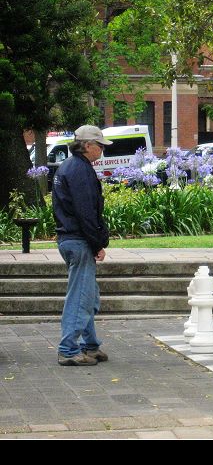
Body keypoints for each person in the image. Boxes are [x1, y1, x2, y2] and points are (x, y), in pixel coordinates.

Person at [52, 125, 112, 366]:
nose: (102, 150)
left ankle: (90, 345)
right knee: (81, 297)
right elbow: (86, 212)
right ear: (87, 145)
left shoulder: (69, 167)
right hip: (78, 240)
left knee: (88, 294)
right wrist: (97, 242)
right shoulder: (80, 170)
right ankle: (68, 349)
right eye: (100, 146)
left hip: (70, 239)